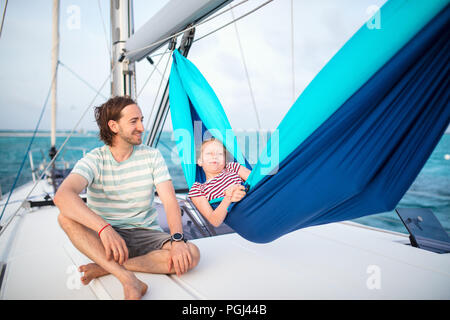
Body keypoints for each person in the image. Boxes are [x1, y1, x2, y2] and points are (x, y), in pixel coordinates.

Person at [54, 96, 200, 300]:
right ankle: (127, 278)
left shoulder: (152, 156)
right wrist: (104, 229)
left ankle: (105, 267)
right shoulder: (95, 159)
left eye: (141, 119)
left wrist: (177, 240)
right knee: (65, 218)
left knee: (190, 254)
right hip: (107, 236)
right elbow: (63, 196)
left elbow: (169, 201)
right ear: (114, 126)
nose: (141, 127)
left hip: (145, 233)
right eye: (134, 121)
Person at [188, 138, 251, 227]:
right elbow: (214, 221)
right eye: (209, 153)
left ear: (225, 161)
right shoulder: (198, 189)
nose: (215, 156)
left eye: (220, 154)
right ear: (200, 161)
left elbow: (256, 181)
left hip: (252, 202)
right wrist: (228, 197)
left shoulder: (232, 167)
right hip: (240, 216)